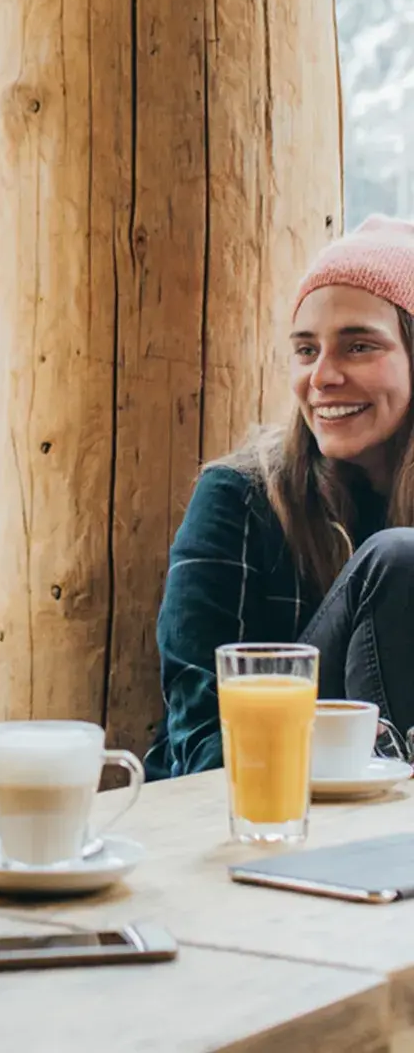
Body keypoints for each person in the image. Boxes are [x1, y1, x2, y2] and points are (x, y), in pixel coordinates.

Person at [147, 215, 414, 779]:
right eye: (306, 350)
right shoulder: (239, 498)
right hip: (247, 792)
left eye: (358, 346)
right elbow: (200, 735)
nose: (322, 377)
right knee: (400, 559)